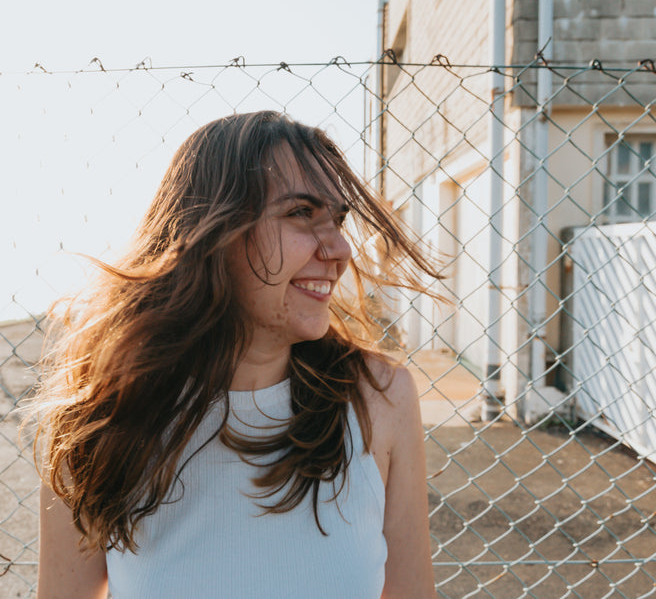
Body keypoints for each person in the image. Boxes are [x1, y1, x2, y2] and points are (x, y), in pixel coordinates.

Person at [31, 111, 439, 598]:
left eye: (338, 219)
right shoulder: (101, 417)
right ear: (211, 232)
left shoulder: (380, 397)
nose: (339, 249)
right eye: (301, 213)